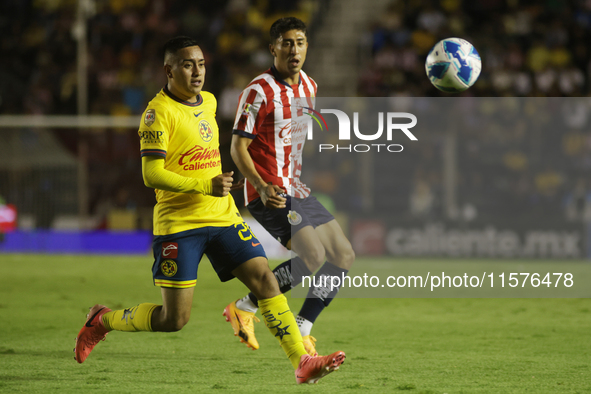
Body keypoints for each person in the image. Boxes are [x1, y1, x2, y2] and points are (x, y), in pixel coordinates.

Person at [73, 36, 345, 384]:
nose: (197, 71)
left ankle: (302, 362)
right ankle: (102, 320)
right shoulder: (157, 114)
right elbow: (150, 173)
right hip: (179, 223)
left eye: (201, 64)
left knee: (265, 280)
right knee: (174, 320)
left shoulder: (210, 102)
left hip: (222, 215)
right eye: (188, 65)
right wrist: (205, 184)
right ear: (169, 70)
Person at [223, 17, 355, 357]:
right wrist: (260, 184)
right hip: (269, 192)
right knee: (312, 255)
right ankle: (246, 306)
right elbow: (238, 146)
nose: (293, 49)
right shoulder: (258, 90)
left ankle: (300, 325)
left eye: (299, 42)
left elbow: (291, 137)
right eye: (286, 43)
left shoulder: (309, 85)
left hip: (297, 187)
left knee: (343, 254)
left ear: (307, 47)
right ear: (273, 49)